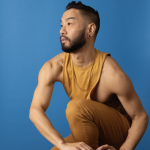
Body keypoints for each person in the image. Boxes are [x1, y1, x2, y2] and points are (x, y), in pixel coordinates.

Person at [29, 1, 149, 150]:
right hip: (88, 130)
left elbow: (140, 117)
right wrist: (62, 144)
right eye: (61, 25)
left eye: (69, 24)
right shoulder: (53, 67)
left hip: (118, 133)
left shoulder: (111, 72)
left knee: (76, 108)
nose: (62, 31)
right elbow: (35, 110)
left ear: (90, 30)